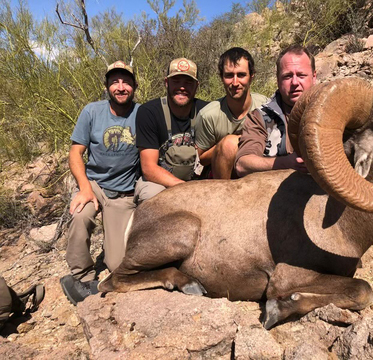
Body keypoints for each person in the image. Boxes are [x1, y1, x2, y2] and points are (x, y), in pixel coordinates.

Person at [60, 60, 140, 305]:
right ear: (106, 87)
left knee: (118, 265)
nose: (120, 87)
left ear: (134, 86)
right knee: (80, 214)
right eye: (114, 81)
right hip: (95, 184)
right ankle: (81, 277)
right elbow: (76, 153)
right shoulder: (92, 111)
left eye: (126, 81)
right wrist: (85, 188)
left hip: (124, 192)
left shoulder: (143, 113)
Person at [235, 45, 317, 177]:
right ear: (278, 80)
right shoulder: (260, 116)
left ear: (314, 77)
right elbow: (242, 164)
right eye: (287, 76)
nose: (295, 82)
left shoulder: (334, 110)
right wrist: (286, 163)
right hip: (274, 192)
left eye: (301, 75)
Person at [134, 58, 208, 203]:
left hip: (197, 181)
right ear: (166, 83)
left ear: (196, 86)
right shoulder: (149, 112)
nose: (182, 87)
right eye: (176, 81)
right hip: (159, 181)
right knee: (151, 196)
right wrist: (184, 188)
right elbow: (149, 169)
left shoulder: (207, 111)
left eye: (188, 82)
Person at [195, 47, 268, 179]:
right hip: (220, 176)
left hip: (257, 171)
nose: (235, 83)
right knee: (229, 144)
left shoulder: (265, 107)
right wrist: (228, 146)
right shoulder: (208, 115)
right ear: (221, 78)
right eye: (229, 75)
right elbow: (200, 159)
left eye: (241, 75)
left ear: (251, 76)